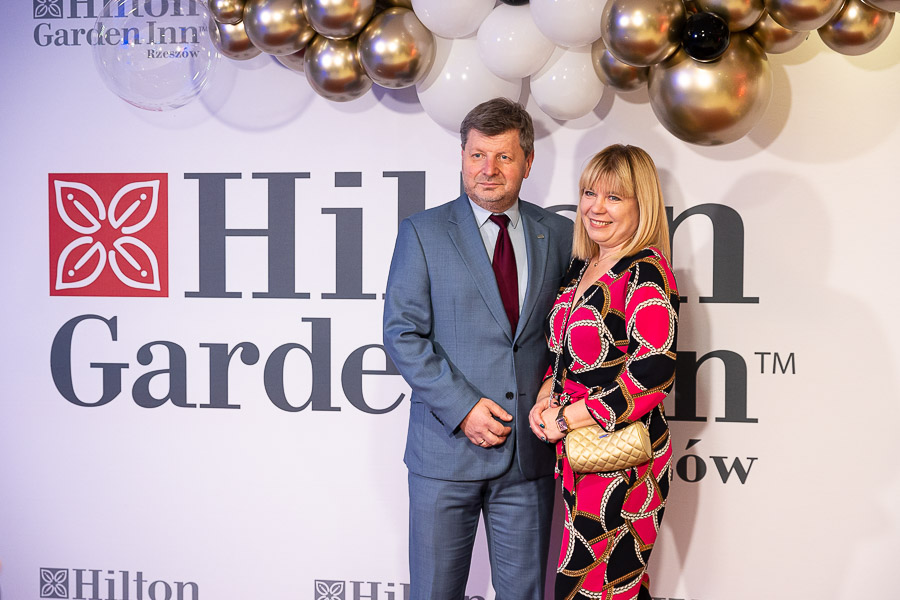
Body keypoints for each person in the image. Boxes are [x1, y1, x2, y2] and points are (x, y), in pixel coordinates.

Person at [383, 98, 574, 600]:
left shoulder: (559, 235)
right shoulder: (422, 233)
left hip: (527, 459)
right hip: (445, 454)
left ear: (527, 162)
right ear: (462, 157)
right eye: (477, 155)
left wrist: (552, 390)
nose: (488, 169)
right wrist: (464, 408)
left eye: (503, 156)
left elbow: (570, 337)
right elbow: (402, 333)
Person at [528, 144, 679, 600]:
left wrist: (565, 418)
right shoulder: (584, 265)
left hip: (626, 463)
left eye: (614, 197)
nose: (596, 207)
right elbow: (564, 352)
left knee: (598, 590)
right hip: (583, 456)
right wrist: (545, 396)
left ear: (641, 205)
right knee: (603, 590)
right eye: (589, 193)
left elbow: (653, 371)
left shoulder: (646, 272)